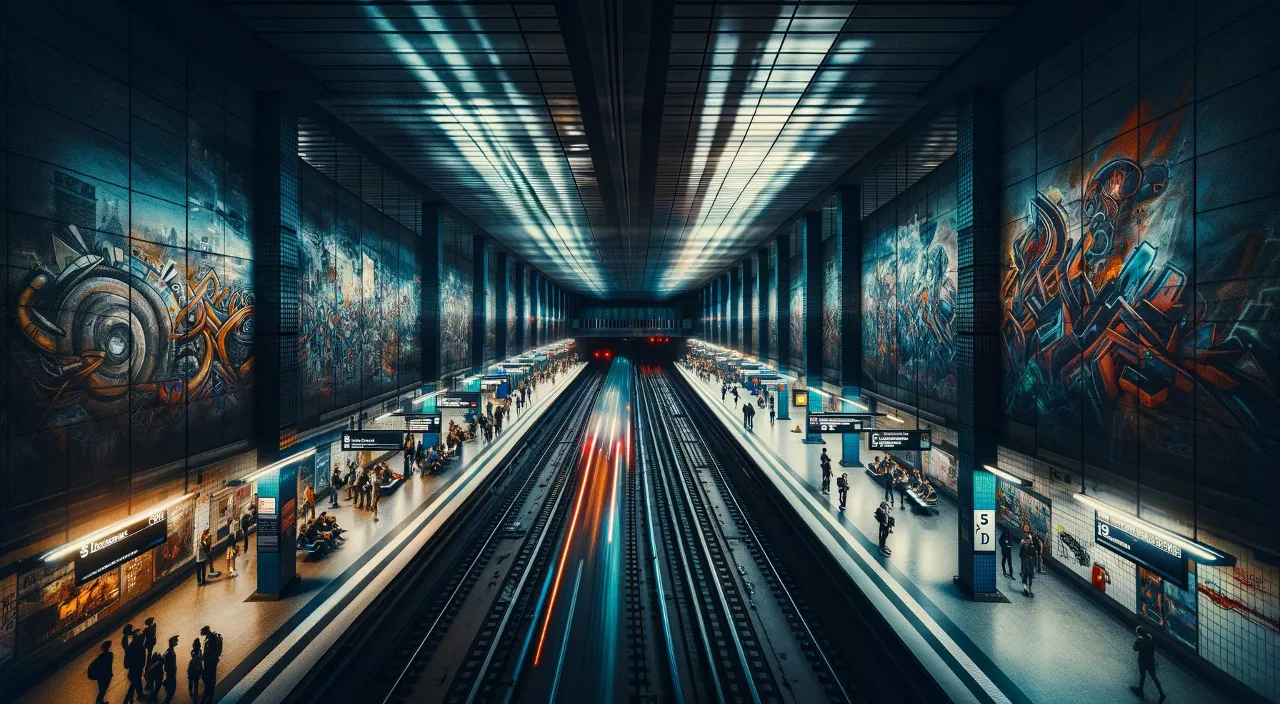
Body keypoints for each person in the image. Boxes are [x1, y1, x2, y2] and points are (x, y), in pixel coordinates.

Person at [1130, 626, 1166, 702]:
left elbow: (1135, 649)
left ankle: (1140, 690)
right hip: (1151, 662)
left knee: (1143, 676)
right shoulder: (1150, 640)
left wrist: (1136, 642)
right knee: (1154, 677)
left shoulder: (1140, 641)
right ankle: (1161, 694)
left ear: (1138, 633)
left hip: (1143, 661)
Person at [199, 626, 221, 704]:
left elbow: (208, 652)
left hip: (210, 664)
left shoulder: (211, 639)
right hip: (211, 663)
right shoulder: (211, 638)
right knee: (210, 682)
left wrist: (202, 657)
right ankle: (208, 698)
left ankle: (208, 699)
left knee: (209, 682)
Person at [123, 629, 146, 704]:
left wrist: (127, 665)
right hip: (137, 669)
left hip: (133, 669)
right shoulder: (141, 648)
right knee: (136, 682)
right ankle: (139, 695)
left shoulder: (132, 646)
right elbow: (142, 661)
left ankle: (128, 698)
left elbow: (127, 656)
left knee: (134, 683)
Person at [161, 636, 178, 704]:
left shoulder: (170, 650)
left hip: (171, 673)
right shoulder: (169, 652)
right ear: (172, 642)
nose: (177, 641)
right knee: (172, 690)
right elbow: (166, 662)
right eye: (176, 640)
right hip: (171, 673)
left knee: (170, 690)